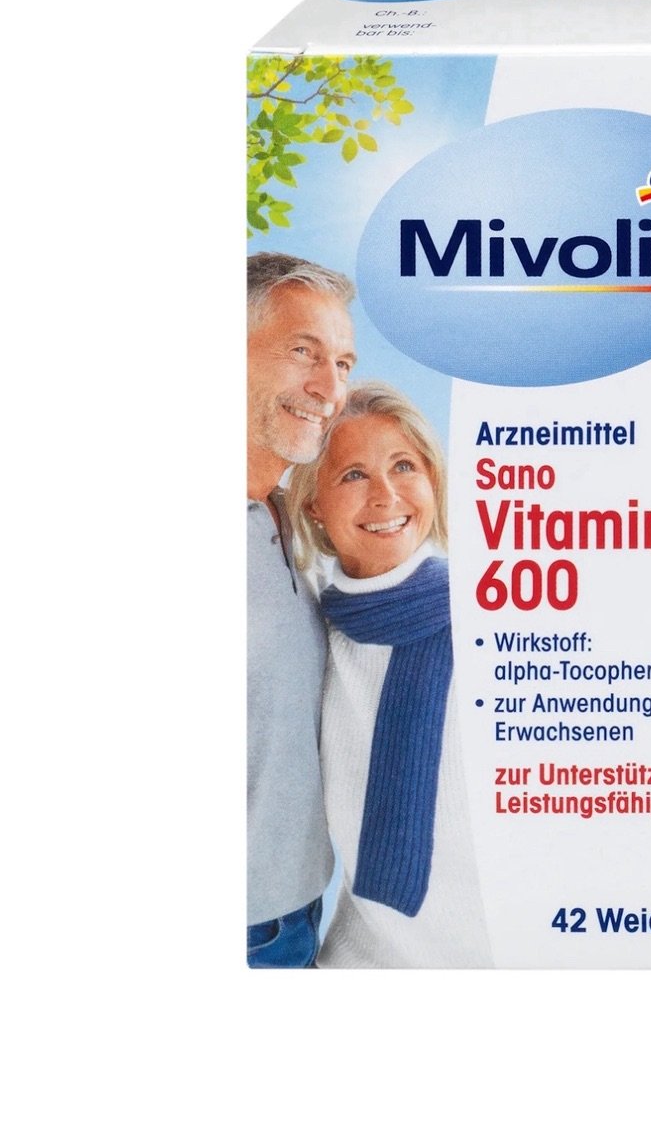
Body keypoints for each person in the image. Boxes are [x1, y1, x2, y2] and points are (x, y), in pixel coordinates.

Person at [286, 383, 493, 967]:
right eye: (353, 475)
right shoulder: (310, 632)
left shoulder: (492, 624)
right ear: (313, 504)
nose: (386, 495)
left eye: (405, 466)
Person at [247, 252, 357, 968]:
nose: (329, 388)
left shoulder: (285, 519)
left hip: (301, 911)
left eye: (343, 364)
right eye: (303, 352)